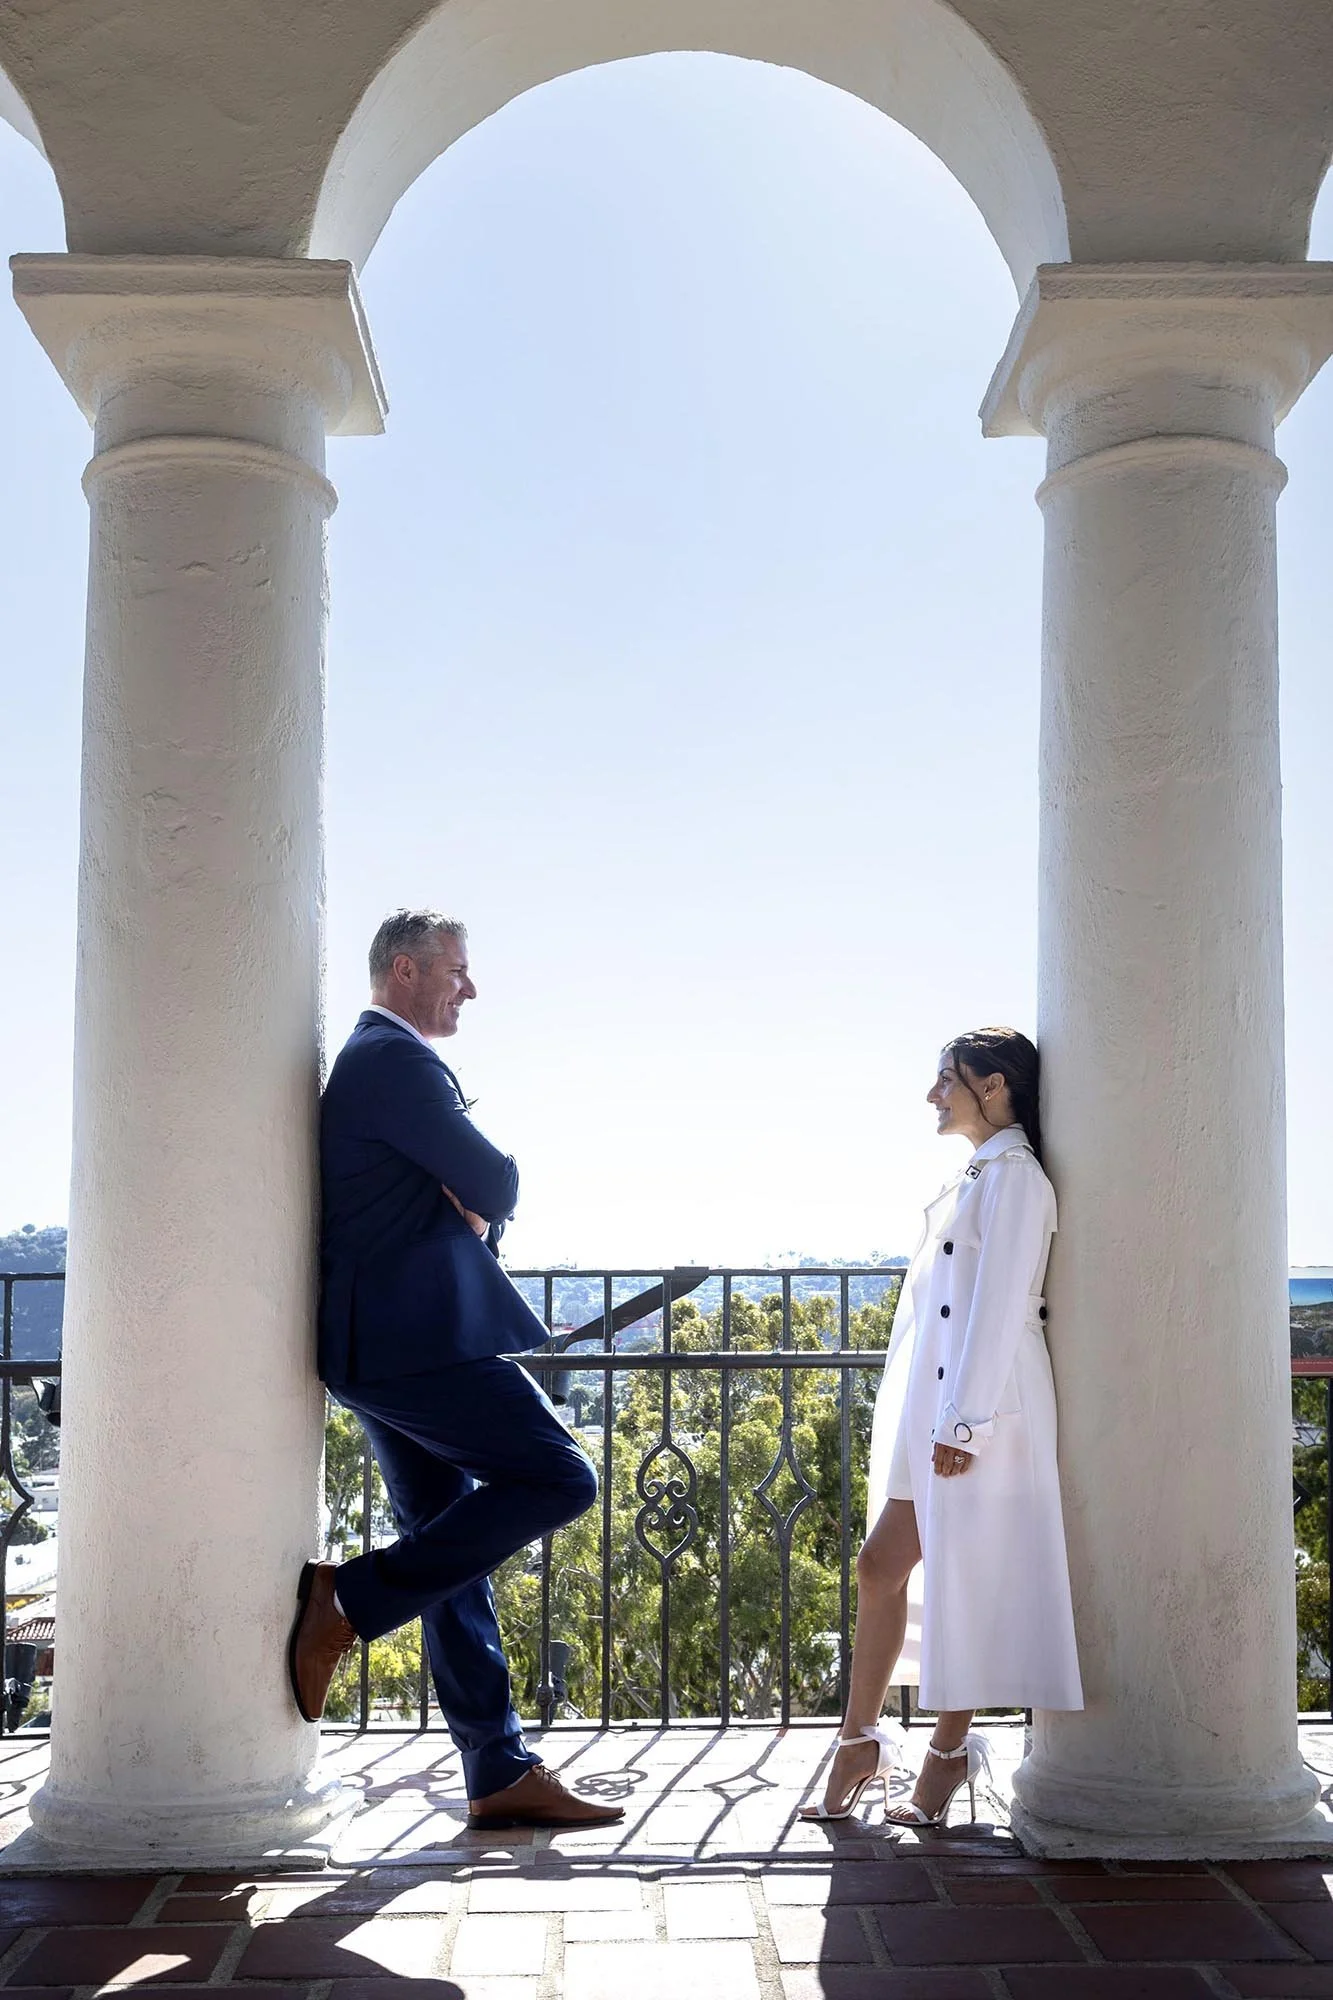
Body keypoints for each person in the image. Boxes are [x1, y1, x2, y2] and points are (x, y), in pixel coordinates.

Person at [288, 908, 623, 1830]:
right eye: (457, 972)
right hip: (417, 1344)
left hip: (380, 1346)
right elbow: (496, 1179)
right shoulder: (394, 1060)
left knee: (446, 1544)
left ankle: (495, 1767)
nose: (469, 989)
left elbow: (464, 1190)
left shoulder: (374, 1062)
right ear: (404, 970)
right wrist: (477, 1206)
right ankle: (346, 1597)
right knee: (561, 1475)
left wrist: (467, 1207)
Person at [801, 1027, 1082, 1828]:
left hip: (981, 1411)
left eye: (945, 1080)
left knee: (965, 1577)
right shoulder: (977, 1176)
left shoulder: (1017, 1178)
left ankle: (946, 1755)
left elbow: (998, 1308)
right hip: (938, 1407)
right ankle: (859, 1741)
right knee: (879, 1567)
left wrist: (965, 1426)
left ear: (993, 1088)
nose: (933, 1095)